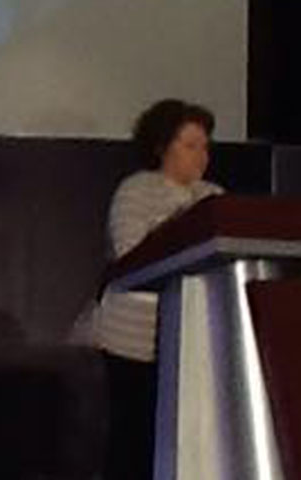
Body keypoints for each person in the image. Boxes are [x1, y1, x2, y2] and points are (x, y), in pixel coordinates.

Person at [92, 99, 224, 480]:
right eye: (190, 145)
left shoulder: (214, 195)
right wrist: (181, 226)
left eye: (205, 146)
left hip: (193, 339)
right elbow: (130, 253)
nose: (201, 156)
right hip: (135, 337)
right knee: (134, 436)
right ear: (162, 146)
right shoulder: (136, 190)